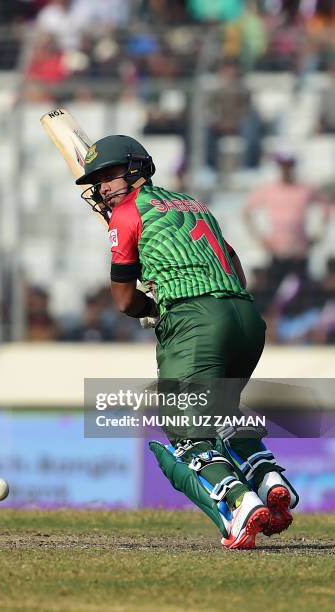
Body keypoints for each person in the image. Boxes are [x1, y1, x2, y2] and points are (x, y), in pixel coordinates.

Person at [74, 134, 298, 550]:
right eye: (97, 180)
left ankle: (241, 503)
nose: (102, 187)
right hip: (246, 317)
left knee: (186, 430)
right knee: (222, 411)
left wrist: (157, 309)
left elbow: (124, 301)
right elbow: (234, 266)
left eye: (109, 176)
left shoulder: (126, 215)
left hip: (196, 322)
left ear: (137, 170)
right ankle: (269, 480)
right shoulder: (193, 204)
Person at [244, 149, 332, 287]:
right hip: (277, 250)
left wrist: (319, 235)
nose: (286, 169)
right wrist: (261, 238)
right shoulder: (269, 190)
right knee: (274, 290)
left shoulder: (305, 189)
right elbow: (247, 212)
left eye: (289, 165)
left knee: (301, 291)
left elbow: (326, 207)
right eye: (283, 166)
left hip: (300, 250)